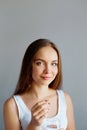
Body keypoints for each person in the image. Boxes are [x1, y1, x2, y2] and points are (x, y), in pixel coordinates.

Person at [3, 38, 76, 130]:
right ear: (29, 65)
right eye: (40, 63)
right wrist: (34, 125)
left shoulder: (65, 99)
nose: (48, 71)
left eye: (53, 64)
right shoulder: (12, 105)